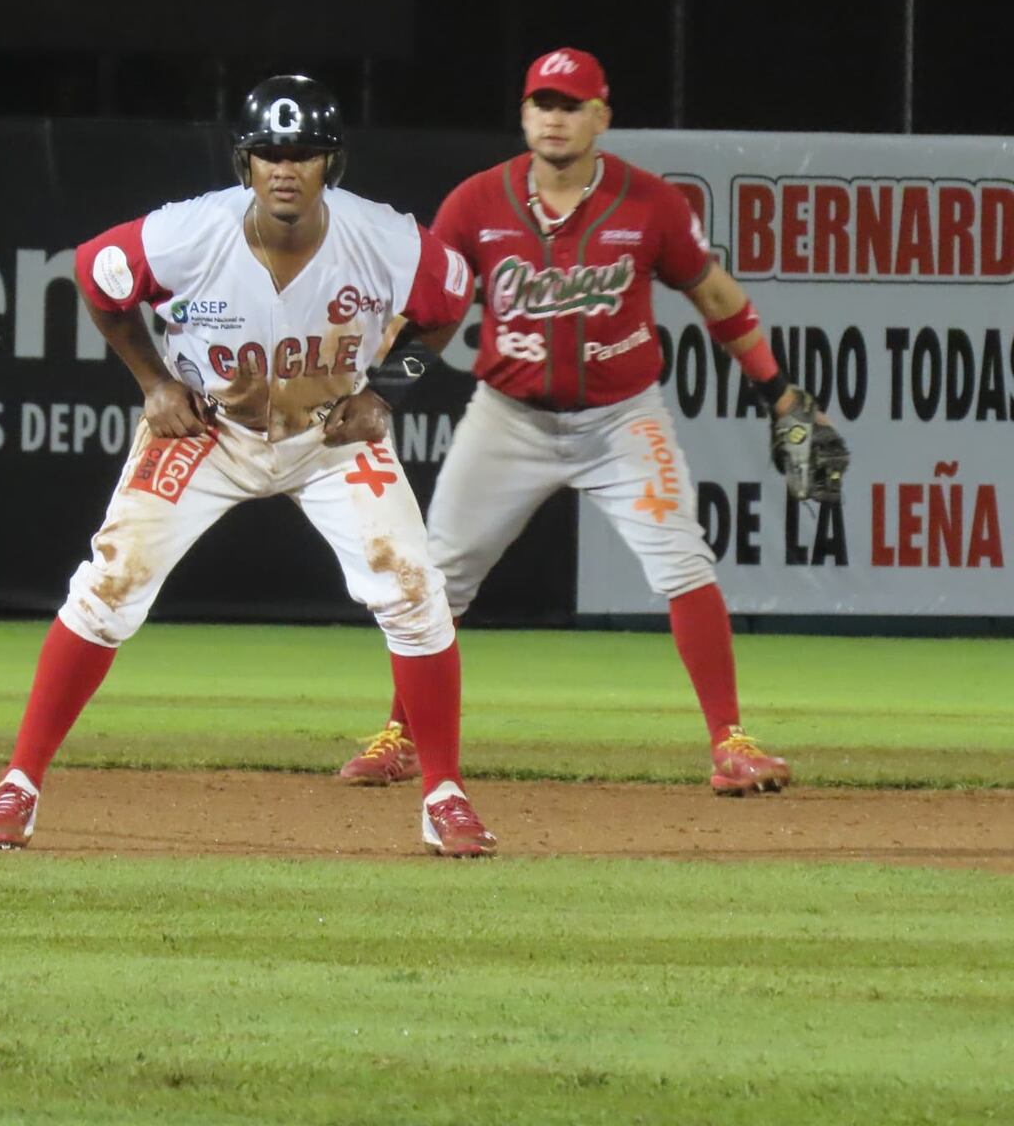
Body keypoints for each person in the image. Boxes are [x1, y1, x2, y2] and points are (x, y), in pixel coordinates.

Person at [0, 74, 496, 857]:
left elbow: (450, 307)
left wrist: (389, 389)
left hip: (329, 436)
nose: (286, 169)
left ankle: (445, 794)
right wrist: (153, 383)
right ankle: (19, 783)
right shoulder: (190, 232)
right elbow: (93, 273)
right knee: (110, 584)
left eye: (305, 153)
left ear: (331, 166)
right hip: (209, 429)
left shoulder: (385, 238)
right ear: (244, 163)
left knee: (415, 586)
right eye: (270, 154)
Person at [338, 47, 848, 795]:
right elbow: (436, 319)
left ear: (601, 118)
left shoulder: (650, 203)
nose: (555, 117)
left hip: (621, 421)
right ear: (523, 115)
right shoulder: (476, 203)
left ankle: (730, 741)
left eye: (571, 104)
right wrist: (385, 393)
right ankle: (399, 735)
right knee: (435, 577)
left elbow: (714, 297)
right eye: (543, 102)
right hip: (508, 420)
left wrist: (778, 392)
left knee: (683, 562)